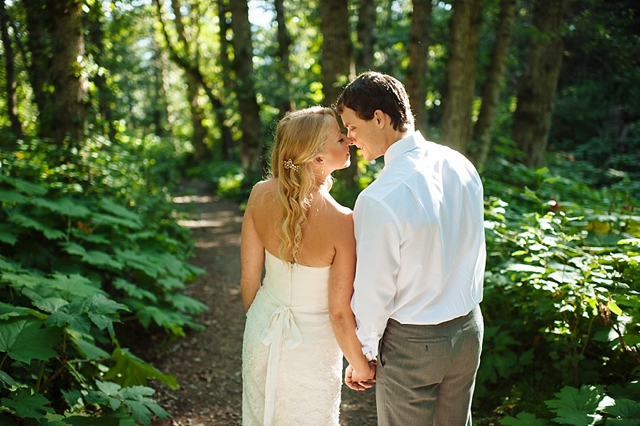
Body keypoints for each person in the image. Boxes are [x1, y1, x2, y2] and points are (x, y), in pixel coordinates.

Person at [335, 71, 486, 425]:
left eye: (352, 127)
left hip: (414, 344)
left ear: (379, 118)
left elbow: (375, 291)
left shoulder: (378, 198)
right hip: (468, 331)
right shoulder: (459, 163)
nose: (351, 139)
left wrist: (365, 357)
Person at [240, 106, 375, 426]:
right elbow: (339, 314)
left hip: (262, 332)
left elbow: (248, 280)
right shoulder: (343, 221)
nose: (349, 141)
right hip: (312, 349)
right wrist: (361, 365)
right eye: (341, 138)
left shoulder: (259, 194)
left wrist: (259, 325)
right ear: (316, 159)